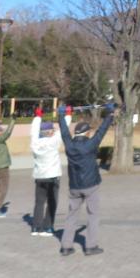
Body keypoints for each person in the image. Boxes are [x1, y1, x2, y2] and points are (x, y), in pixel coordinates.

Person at [58, 103, 115, 256]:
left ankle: (66, 247)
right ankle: (90, 246)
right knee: (93, 215)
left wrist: (60, 116)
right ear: (87, 133)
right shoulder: (91, 144)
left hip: (74, 186)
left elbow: (64, 132)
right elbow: (102, 131)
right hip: (91, 185)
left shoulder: (69, 145)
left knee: (71, 216)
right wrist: (109, 114)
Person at [30, 106, 70, 235]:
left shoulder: (35, 143)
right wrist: (67, 115)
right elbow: (64, 128)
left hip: (39, 177)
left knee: (39, 202)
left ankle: (36, 227)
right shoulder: (54, 141)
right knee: (52, 202)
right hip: (52, 177)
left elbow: (33, 131)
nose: (54, 130)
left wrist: (37, 117)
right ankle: (47, 227)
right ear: (50, 132)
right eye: (53, 129)